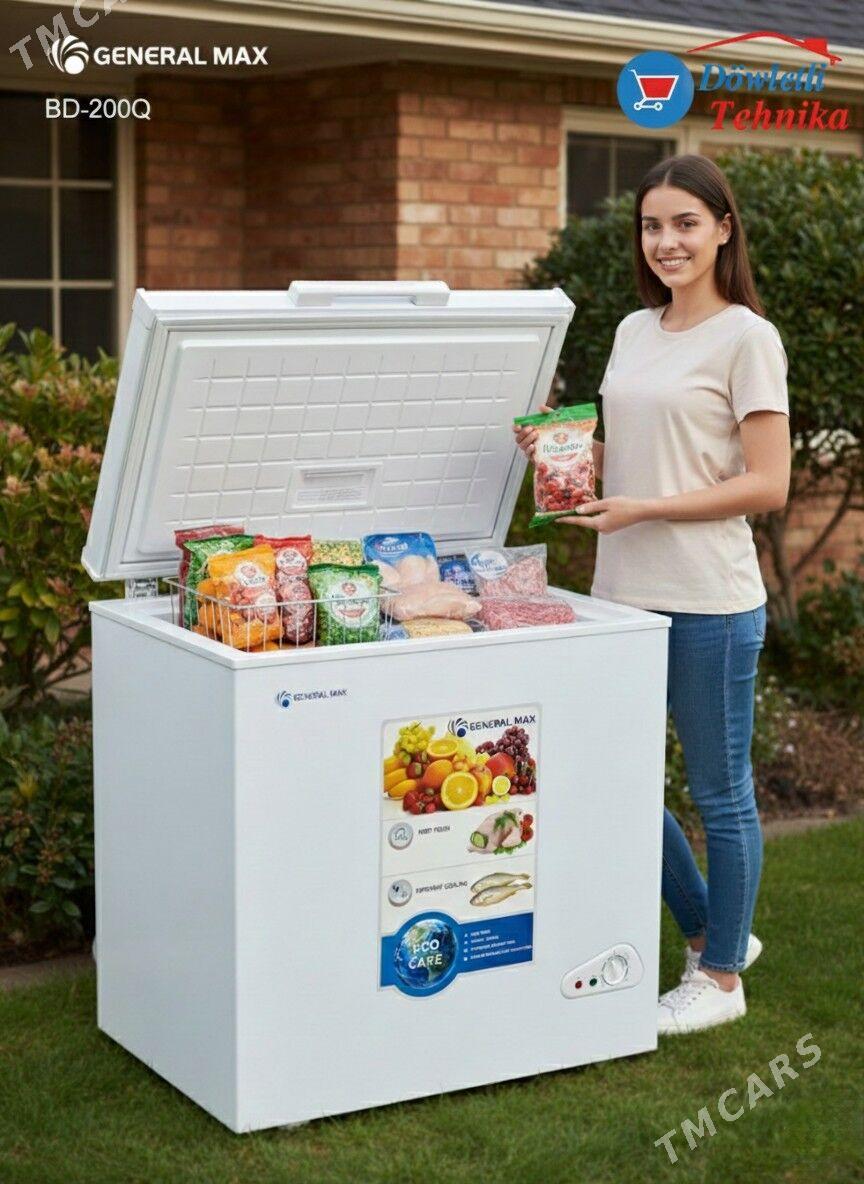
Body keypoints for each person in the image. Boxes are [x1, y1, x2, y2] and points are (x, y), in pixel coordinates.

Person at [514, 154, 790, 1035]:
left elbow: (769, 483)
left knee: (719, 793)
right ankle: (714, 930)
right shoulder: (635, 330)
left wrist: (646, 508)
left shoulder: (747, 338)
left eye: (684, 224)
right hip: (623, 595)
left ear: (723, 230)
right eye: (651, 226)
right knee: (620, 779)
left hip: (709, 600)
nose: (666, 241)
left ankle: (721, 979)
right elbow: (635, 457)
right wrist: (568, 459)